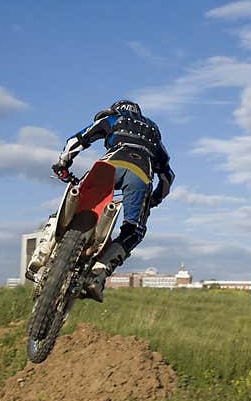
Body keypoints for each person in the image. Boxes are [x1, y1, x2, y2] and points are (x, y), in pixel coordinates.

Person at [26, 99, 174, 302]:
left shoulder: (112, 118)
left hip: (109, 166)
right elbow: (168, 177)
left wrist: (63, 164)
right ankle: (99, 274)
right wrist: (154, 199)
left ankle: (42, 252)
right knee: (134, 230)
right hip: (140, 175)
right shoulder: (155, 135)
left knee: (73, 200)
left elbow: (77, 141)